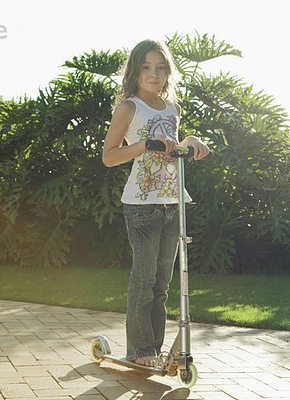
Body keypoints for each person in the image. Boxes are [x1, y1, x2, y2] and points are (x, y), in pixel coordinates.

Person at [102, 39, 210, 367]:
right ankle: (141, 351)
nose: (154, 74)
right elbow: (109, 156)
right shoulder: (129, 108)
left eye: (161, 68)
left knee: (162, 285)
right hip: (142, 205)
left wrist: (189, 142)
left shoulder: (171, 108)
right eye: (147, 67)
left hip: (171, 201)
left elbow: (172, 147)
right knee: (144, 280)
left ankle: (154, 350)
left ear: (168, 72)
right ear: (135, 72)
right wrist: (143, 146)